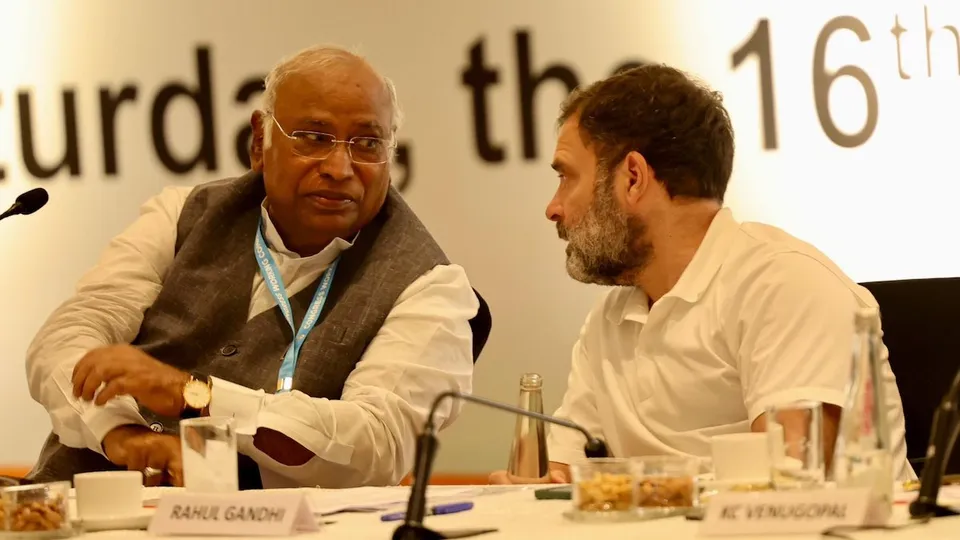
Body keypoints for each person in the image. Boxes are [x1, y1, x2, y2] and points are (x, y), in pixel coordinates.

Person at [25, 45, 479, 489]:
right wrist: (122, 435)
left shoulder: (430, 285)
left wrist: (193, 395)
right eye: (315, 138)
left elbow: (376, 445)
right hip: (80, 508)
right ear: (260, 141)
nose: (340, 167)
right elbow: (68, 338)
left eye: (367, 143)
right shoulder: (181, 215)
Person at [490, 64, 913, 484]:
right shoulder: (609, 321)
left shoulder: (784, 284)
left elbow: (791, 490)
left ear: (633, 178)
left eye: (567, 177)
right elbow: (560, 473)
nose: (553, 208)